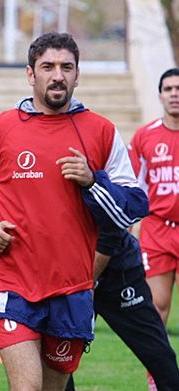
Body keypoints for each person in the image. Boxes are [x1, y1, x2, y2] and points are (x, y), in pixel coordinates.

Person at [0, 32, 148, 390]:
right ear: (30, 74)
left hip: (72, 289)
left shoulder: (101, 131)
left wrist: (92, 182)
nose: (57, 75)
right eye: (47, 67)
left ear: (77, 75)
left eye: (66, 67)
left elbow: (133, 205)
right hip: (11, 285)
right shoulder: (0, 129)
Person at [65, 229, 179, 391]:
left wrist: (88, 282)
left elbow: (112, 229)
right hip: (69, 273)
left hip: (119, 270)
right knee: (59, 356)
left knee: (158, 353)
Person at [128, 67, 179, 388]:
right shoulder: (145, 136)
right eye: (169, 88)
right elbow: (134, 188)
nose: (175, 93)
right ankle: (156, 380)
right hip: (159, 230)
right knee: (156, 309)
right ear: (160, 95)